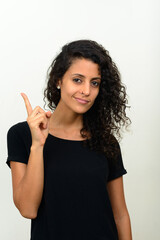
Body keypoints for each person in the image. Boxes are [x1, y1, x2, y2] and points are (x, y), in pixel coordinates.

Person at [6, 39, 132, 240]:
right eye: (77, 80)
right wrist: (37, 145)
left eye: (95, 83)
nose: (86, 91)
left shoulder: (106, 142)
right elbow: (28, 209)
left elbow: (120, 215)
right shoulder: (22, 135)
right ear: (58, 80)